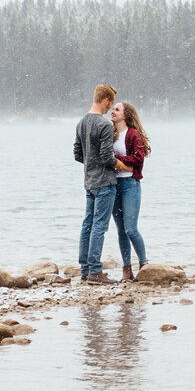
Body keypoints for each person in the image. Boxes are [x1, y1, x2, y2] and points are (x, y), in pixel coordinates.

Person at [73, 83, 123, 285]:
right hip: (104, 182)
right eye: (110, 103)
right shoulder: (104, 125)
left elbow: (78, 154)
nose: (111, 108)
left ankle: (85, 269)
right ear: (105, 100)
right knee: (99, 226)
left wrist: (91, 163)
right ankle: (95, 271)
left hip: (89, 181)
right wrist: (122, 165)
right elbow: (106, 157)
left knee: (87, 224)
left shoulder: (81, 123)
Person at [108, 101, 151, 281]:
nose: (113, 111)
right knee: (120, 230)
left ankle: (144, 264)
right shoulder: (110, 134)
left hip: (130, 185)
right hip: (112, 185)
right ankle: (127, 270)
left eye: (117, 109)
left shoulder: (133, 134)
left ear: (125, 115)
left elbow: (138, 159)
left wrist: (116, 159)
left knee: (131, 228)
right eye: (112, 108)